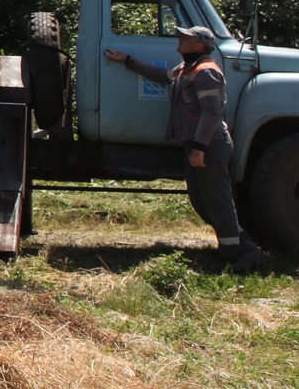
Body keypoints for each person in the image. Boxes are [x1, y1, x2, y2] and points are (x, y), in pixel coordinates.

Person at [105, 25, 266, 272]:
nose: (180, 39)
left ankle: (235, 254)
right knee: (202, 202)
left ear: (200, 45)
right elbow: (161, 75)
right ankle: (241, 248)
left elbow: (212, 113)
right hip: (197, 143)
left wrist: (200, 147)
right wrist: (127, 60)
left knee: (218, 202)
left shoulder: (206, 72)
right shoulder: (186, 69)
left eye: (186, 37)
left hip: (210, 144)